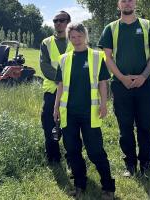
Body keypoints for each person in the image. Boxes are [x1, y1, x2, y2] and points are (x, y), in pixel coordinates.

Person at [98, 0, 150, 177]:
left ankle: (147, 167)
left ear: (135, 4)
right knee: (125, 128)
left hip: (145, 85)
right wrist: (122, 78)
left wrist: (143, 76)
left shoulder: (148, 26)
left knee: (145, 127)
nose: (127, 4)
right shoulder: (110, 28)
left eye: (130, 0)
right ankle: (130, 166)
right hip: (121, 85)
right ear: (118, 5)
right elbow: (108, 58)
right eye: (123, 1)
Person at [53, 23, 115, 200]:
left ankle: (108, 187)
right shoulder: (64, 59)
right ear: (69, 37)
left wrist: (104, 104)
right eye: (72, 36)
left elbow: (103, 83)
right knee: (72, 151)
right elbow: (61, 85)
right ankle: (80, 185)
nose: (76, 40)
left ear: (85, 36)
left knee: (95, 151)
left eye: (79, 36)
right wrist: (56, 106)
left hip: (91, 113)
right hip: (69, 113)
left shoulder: (96, 56)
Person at [40, 11, 73, 163]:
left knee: (71, 126)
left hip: (72, 91)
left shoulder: (76, 40)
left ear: (68, 22)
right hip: (51, 91)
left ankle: (72, 159)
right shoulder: (46, 42)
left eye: (61, 20)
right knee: (48, 124)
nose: (58, 23)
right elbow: (45, 66)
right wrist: (61, 80)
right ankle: (53, 157)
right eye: (55, 21)